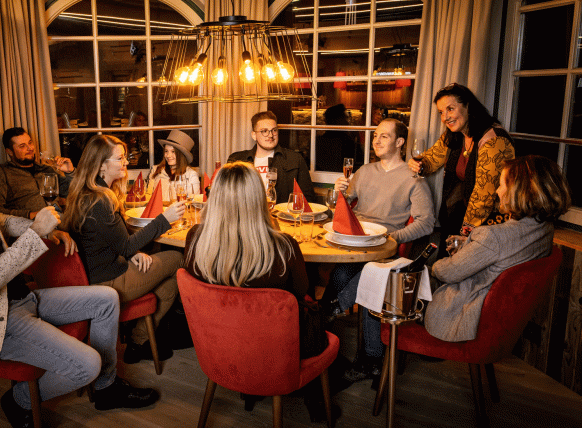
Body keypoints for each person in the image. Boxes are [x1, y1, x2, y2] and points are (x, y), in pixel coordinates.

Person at [0, 127, 160, 428]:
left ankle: (106, 389)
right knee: (88, 364)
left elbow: (3, 221)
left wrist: (50, 229)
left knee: (107, 299)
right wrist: (35, 233)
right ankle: (18, 399)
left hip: (20, 298)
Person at [183, 162, 333, 423]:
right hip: (278, 350)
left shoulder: (195, 239)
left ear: (214, 197)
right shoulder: (283, 247)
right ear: (259, 199)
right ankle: (314, 397)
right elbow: (302, 292)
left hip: (220, 347)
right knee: (318, 309)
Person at [322, 118, 436, 385]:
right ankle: (325, 334)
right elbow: (344, 208)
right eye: (375, 135)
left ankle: (328, 315)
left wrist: (392, 238)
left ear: (399, 142)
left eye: (384, 136)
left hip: (384, 247)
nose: (376, 140)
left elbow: (426, 222)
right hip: (355, 241)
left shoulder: (413, 179)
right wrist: (339, 195)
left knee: (368, 278)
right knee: (341, 274)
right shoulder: (363, 171)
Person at [61, 135, 186, 364]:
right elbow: (125, 245)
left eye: (124, 157)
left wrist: (133, 252)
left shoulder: (89, 192)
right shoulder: (99, 200)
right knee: (178, 259)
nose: (126, 162)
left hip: (101, 272)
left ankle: (138, 342)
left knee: (169, 282)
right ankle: (143, 340)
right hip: (108, 282)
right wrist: (164, 219)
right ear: (100, 165)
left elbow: (116, 242)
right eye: (119, 159)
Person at [425, 155, 571, 342]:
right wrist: (471, 248)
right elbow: (505, 252)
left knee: (398, 276)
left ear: (520, 192)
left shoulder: (492, 237)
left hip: (463, 313)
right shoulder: (545, 229)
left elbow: (447, 273)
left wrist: (436, 266)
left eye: (502, 185)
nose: (497, 190)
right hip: (499, 322)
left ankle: (380, 356)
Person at [408, 83, 515, 240]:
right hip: (459, 215)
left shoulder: (494, 141)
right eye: (441, 112)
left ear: (468, 106)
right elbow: (432, 158)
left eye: (450, 109)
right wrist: (419, 164)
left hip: (490, 224)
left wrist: (465, 233)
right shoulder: (454, 134)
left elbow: (483, 197)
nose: (445, 118)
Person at [0, 127, 74, 219]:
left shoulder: (46, 169)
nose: (30, 148)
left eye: (30, 143)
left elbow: (73, 192)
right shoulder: (1, 172)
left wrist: (70, 172)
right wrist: (30, 215)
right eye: (22, 146)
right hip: (29, 226)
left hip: (58, 219)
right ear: (9, 151)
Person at [228, 110, 316, 205]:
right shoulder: (237, 159)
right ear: (254, 135)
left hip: (281, 217)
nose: (270, 135)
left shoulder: (295, 159)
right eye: (264, 131)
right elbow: (227, 195)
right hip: (248, 216)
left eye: (274, 130)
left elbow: (308, 199)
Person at [148, 129, 200, 202]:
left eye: (173, 152)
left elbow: (194, 202)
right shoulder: (155, 170)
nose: (168, 155)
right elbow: (149, 196)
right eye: (166, 151)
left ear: (181, 155)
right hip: (160, 213)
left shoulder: (191, 175)